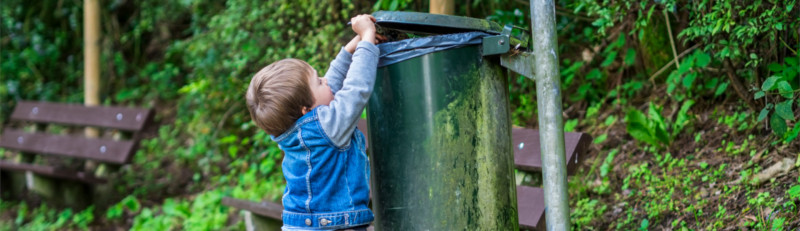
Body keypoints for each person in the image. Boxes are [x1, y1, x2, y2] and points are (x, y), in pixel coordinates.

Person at [245, 14, 380, 231]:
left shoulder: (296, 129)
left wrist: (350, 49)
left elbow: (329, 89)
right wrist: (366, 39)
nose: (325, 80)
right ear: (306, 110)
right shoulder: (326, 127)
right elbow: (356, 89)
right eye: (318, 81)